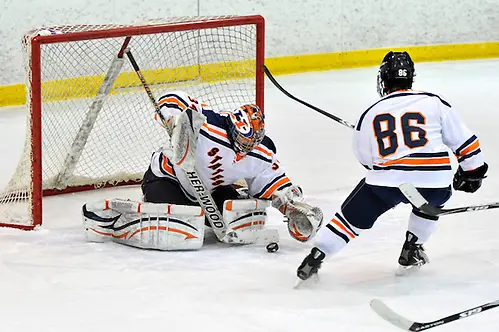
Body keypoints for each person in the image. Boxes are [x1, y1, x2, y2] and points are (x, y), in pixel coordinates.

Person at [296, 51, 488, 280]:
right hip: (434, 181)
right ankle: (412, 248)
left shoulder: (371, 112)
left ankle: (316, 257)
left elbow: (365, 158)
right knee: (429, 202)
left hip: (387, 183)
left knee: (352, 217)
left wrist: (388, 169)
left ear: (384, 78)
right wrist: (472, 172)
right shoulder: (434, 102)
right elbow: (465, 141)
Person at [82, 90, 322, 250]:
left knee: (239, 218)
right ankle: (116, 220)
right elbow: (173, 99)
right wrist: (176, 121)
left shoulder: (261, 153)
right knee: (178, 226)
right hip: (167, 178)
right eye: (241, 141)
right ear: (233, 127)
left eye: (250, 145)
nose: (243, 150)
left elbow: (273, 182)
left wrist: (291, 207)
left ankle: (194, 215)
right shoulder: (209, 122)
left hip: (210, 190)